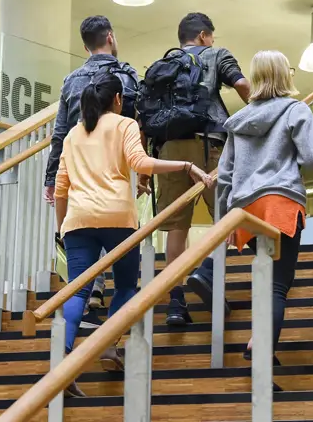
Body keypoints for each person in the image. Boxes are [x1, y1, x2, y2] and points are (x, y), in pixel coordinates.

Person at [55, 70, 213, 396]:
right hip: (117, 219)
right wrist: (186, 166)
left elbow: (60, 189)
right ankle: (109, 345)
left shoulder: (73, 134)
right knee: (126, 286)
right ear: (117, 99)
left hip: (78, 222)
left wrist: (61, 229)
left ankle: (64, 361)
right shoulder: (125, 124)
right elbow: (140, 163)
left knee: (78, 291)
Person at [215, 50, 313, 390]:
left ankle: (258, 341)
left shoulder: (239, 119)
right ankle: (260, 352)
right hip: (280, 202)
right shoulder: (296, 110)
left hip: (246, 208)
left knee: (263, 282)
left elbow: (225, 174)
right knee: (277, 285)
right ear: (284, 75)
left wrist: (226, 219)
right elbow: (311, 158)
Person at [150, 12, 250, 326]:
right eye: (212, 37)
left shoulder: (163, 65)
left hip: (169, 149)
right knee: (224, 219)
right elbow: (242, 84)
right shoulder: (216, 55)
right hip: (210, 145)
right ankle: (207, 274)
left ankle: (176, 302)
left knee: (176, 228)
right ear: (204, 35)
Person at [43, 16, 144, 320]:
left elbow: (59, 132)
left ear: (85, 45)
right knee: (117, 233)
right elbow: (139, 123)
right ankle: (108, 300)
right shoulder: (126, 76)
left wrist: (52, 178)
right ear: (110, 37)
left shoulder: (72, 80)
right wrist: (145, 173)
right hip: (116, 169)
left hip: (76, 168)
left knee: (83, 231)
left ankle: (93, 290)